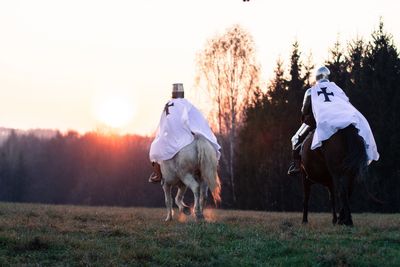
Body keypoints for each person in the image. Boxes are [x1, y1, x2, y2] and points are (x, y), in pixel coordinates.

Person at [287, 66, 379, 176]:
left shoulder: (311, 91)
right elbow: (345, 103)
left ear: (317, 77)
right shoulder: (337, 89)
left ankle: (296, 166)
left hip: (316, 120)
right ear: (328, 76)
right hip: (339, 117)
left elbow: (304, 109)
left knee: (295, 138)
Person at [148, 83, 221, 183]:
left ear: (173, 93)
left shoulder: (168, 105)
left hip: (172, 136)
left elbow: (163, 124)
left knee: (154, 148)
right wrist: (193, 130)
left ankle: (158, 175)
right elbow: (197, 118)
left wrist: (166, 133)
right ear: (182, 93)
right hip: (187, 134)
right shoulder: (187, 104)